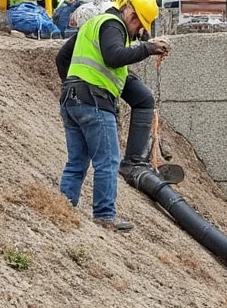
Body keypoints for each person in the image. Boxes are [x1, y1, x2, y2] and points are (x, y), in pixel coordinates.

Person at [55, 0, 170, 232]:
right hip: (94, 102)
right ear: (133, 16)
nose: (138, 31)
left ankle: (62, 211)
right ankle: (105, 215)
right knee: (107, 162)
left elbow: (62, 58)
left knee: (77, 162)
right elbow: (113, 56)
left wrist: (74, 84)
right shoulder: (112, 25)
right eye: (139, 26)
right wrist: (148, 48)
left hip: (72, 100)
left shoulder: (93, 25)